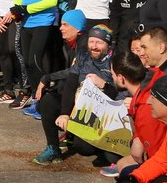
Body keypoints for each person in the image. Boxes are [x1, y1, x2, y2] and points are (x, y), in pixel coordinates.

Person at [32, 24, 115, 165]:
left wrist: (105, 85)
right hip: (80, 107)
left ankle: (102, 149)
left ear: (108, 44)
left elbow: (121, 95)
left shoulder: (116, 61)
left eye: (99, 42)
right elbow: (70, 84)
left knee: (83, 149)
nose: (94, 46)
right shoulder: (83, 56)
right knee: (48, 101)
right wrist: (64, 113)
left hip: (103, 116)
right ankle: (53, 148)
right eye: (91, 41)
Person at [9, 0, 59, 108]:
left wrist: (27, 9)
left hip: (43, 22)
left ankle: (44, 99)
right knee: (27, 62)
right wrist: (16, 8)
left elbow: (52, 0)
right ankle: (35, 96)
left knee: (35, 61)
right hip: (26, 23)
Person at [110, 50, 166, 175]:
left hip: (165, 162)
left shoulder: (146, 107)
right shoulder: (147, 89)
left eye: (113, 74)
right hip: (160, 153)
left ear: (121, 78)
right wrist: (137, 138)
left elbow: (155, 149)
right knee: (121, 164)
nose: (112, 77)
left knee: (124, 178)